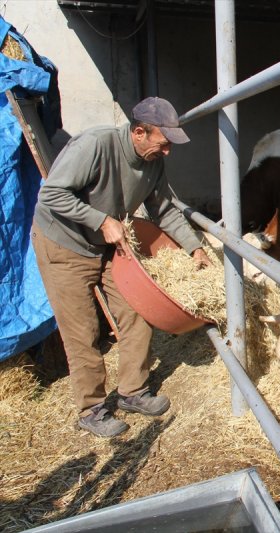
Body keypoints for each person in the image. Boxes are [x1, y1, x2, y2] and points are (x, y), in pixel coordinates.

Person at [31, 96, 212, 437]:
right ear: (140, 132)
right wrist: (100, 220)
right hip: (64, 245)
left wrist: (194, 248)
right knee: (83, 331)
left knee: (137, 312)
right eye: (163, 143)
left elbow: (165, 209)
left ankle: (133, 392)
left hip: (108, 244)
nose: (168, 151)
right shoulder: (95, 145)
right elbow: (51, 195)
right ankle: (92, 409)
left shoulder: (154, 161)